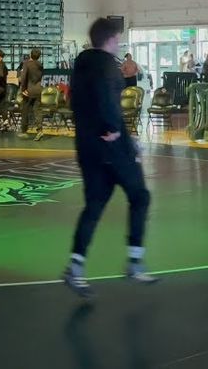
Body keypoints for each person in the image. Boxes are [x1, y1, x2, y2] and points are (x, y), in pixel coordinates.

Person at [62, 18, 156, 298]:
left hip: (87, 147)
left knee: (94, 204)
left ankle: (75, 266)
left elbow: (76, 101)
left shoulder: (80, 65)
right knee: (140, 196)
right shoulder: (106, 66)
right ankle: (135, 261)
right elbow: (107, 101)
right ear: (112, 40)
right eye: (118, 39)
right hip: (112, 149)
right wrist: (114, 132)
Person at [19, 48, 44, 135]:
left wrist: (23, 89)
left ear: (30, 54)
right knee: (37, 110)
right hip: (38, 89)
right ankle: (39, 130)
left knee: (25, 110)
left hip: (29, 90)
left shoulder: (27, 64)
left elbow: (23, 77)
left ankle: (23, 131)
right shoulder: (40, 64)